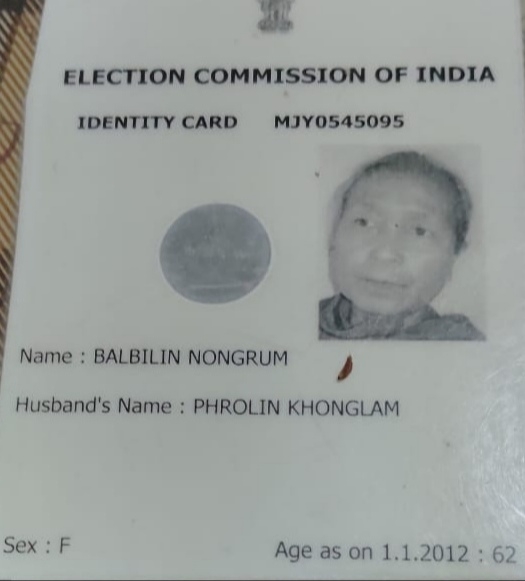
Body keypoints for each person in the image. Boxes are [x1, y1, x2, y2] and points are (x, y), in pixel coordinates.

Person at [319, 151, 484, 340]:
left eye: (419, 231)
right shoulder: (299, 322)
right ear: (334, 234)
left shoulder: (461, 345)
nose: (385, 253)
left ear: (455, 254)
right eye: (364, 222)